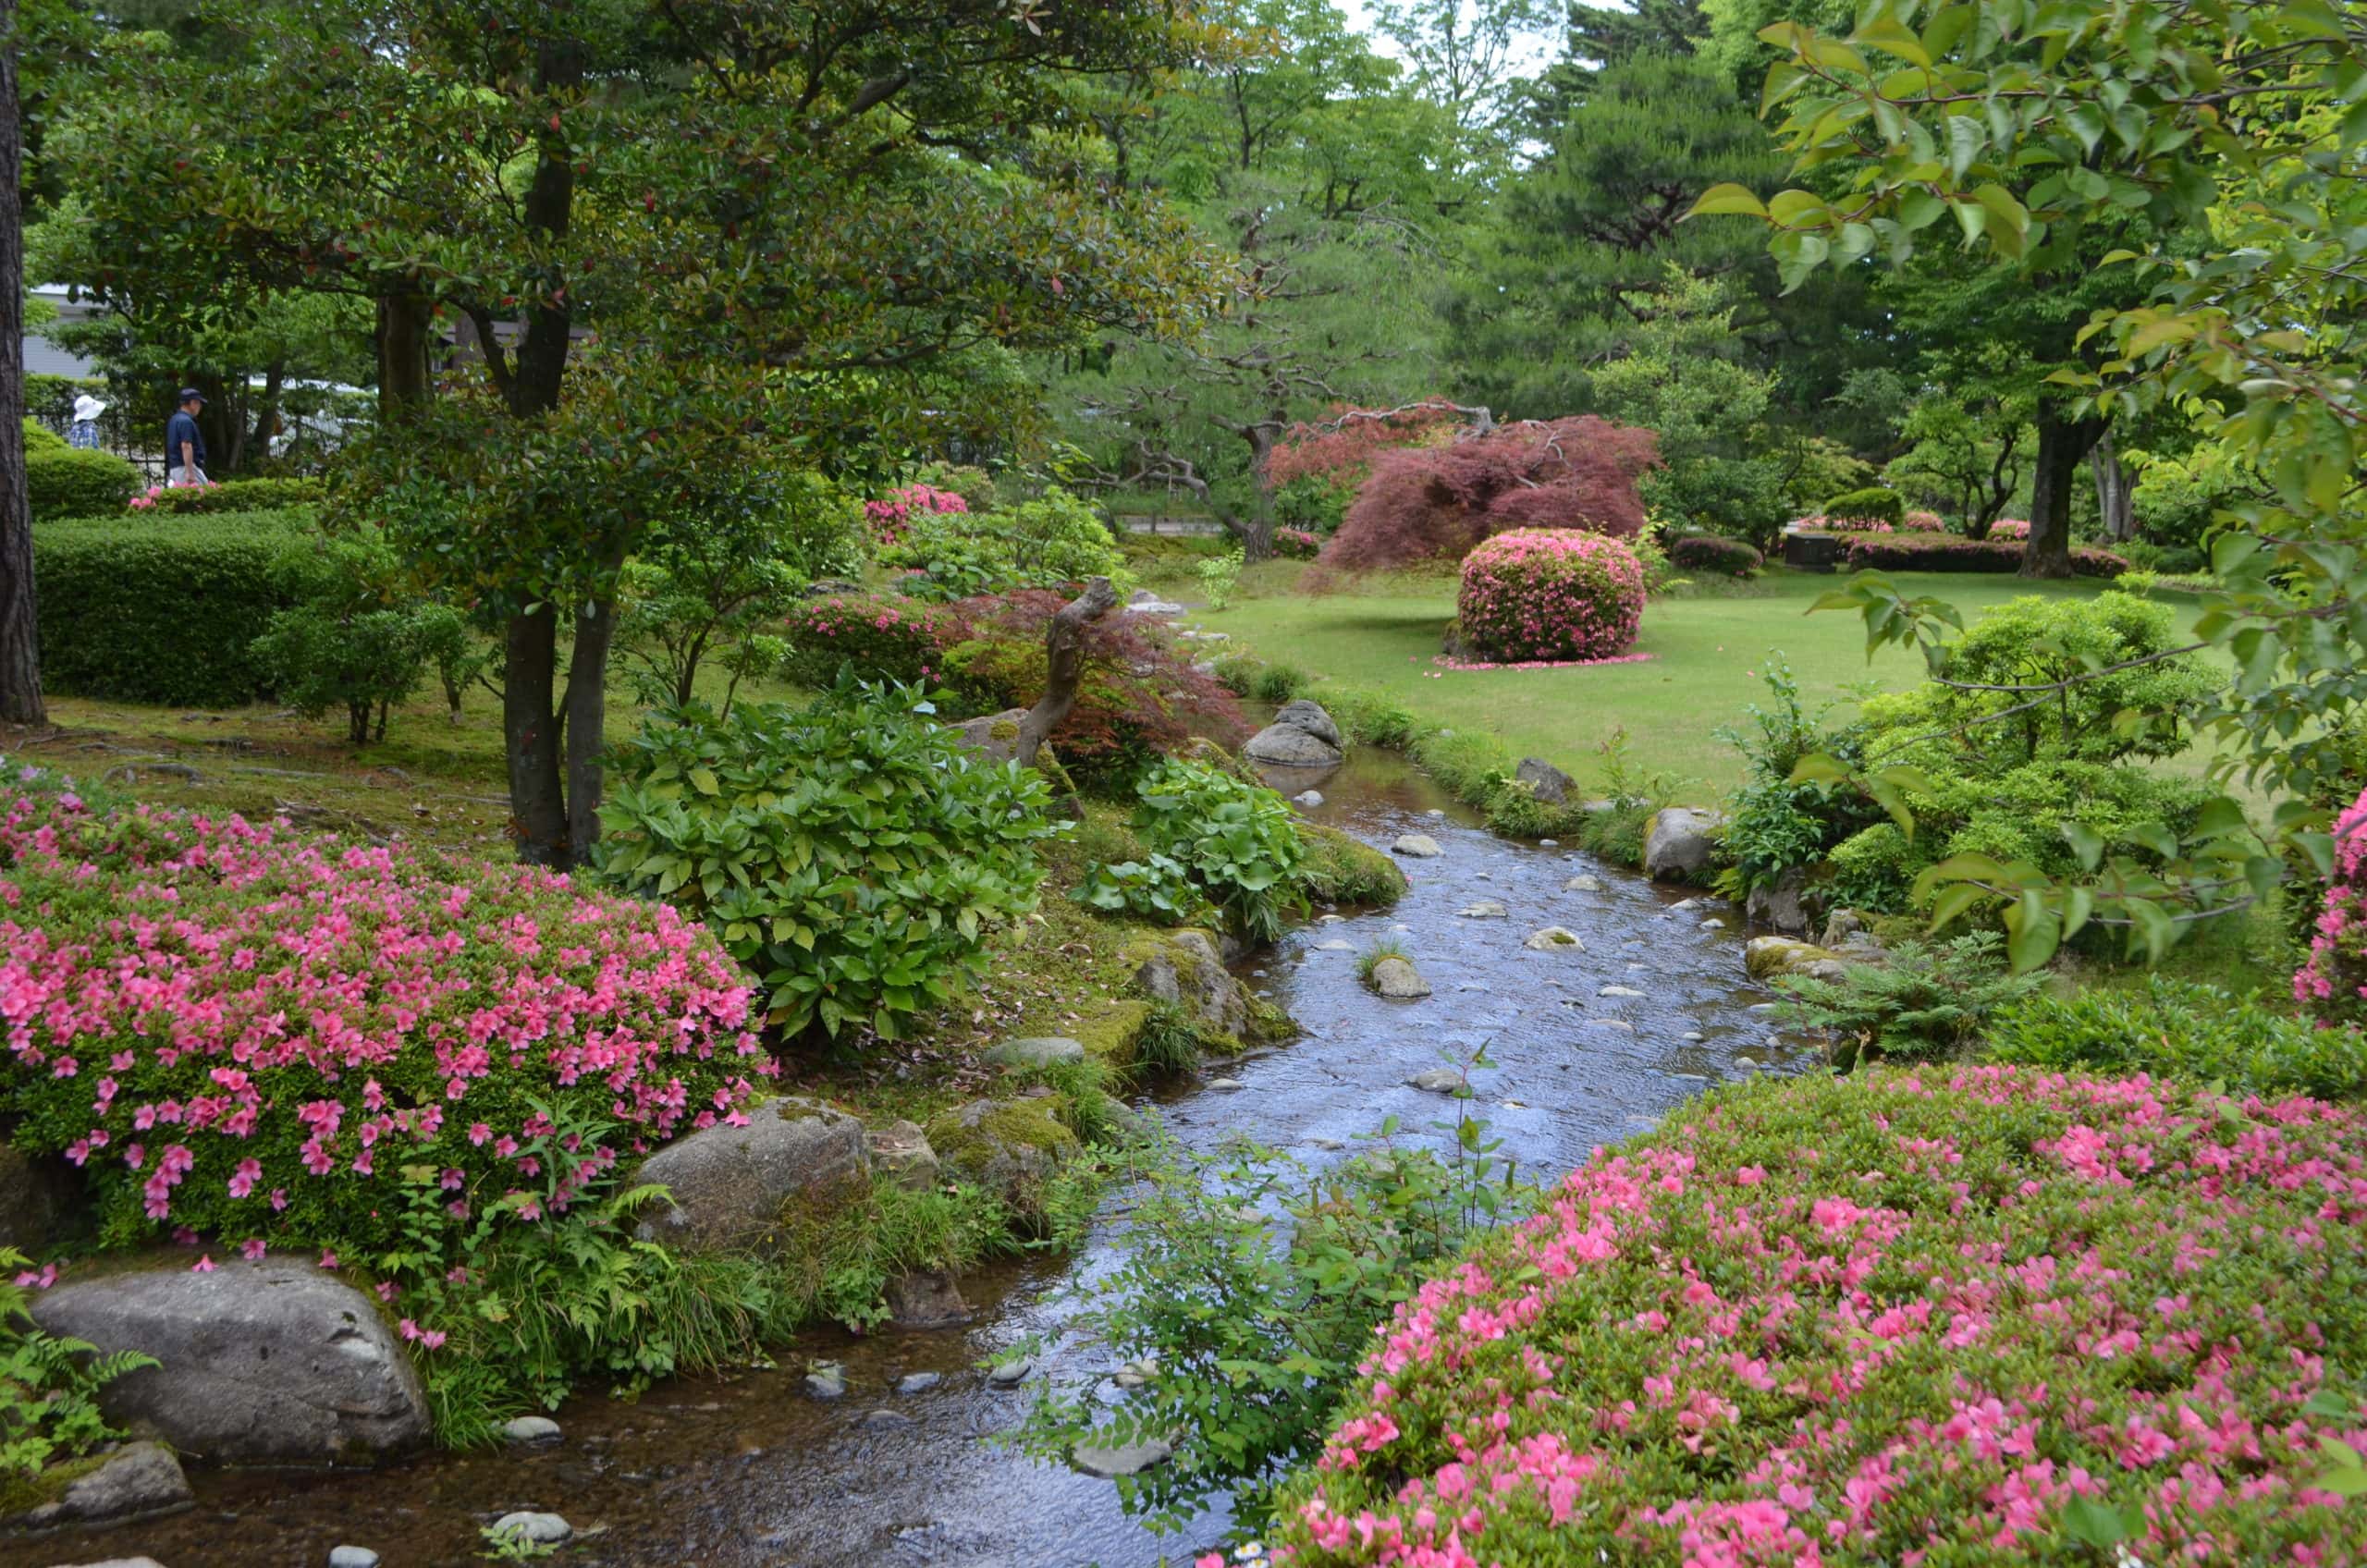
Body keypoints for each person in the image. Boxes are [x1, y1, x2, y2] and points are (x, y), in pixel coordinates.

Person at [165, 388, 209, 487]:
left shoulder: (174, 419)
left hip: (175, 468)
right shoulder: (186, 422)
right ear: (193, 403)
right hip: (185, 468)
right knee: (203, 495)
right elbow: (186, 445)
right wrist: (190, 472)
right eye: (199, 403)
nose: (200, 407)